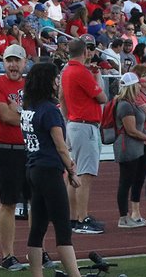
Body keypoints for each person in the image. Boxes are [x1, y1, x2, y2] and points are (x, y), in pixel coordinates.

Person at [19, 61, 82, 277]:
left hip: (33, 168)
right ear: (49, 81)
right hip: (48, 170)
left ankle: (37, 274)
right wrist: (72, 172)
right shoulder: (49, 110)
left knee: (37, 228)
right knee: (63, 229)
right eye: (56, 78)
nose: (58, 82)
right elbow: (60, 145)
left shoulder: (29, 108)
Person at [0, 45, 30, 271]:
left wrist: (18, 110)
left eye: (17, 60)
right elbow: (4, 115)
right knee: (8, 202)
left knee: (36, 203)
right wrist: (27, 114)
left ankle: (37, 251)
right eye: (9, 60)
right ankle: (7, 255)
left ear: (24, 62)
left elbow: (45, 112)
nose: (13, 65)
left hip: (29, 149)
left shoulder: (31, 85)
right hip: (6, 150)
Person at [59, 40, 105, 234]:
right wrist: (95, 77)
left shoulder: (66, 71)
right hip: (85, 124)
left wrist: (68, 117)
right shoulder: (81, 72)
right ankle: (82, 217)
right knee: (85, 175)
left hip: (74, 123)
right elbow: (102, 97)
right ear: (85, 52)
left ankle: (73, 216)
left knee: (75, 173)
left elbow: (61, 97)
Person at [113, 72, 146, 229]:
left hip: (133, 147)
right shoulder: (125, 105)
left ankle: (127, 216)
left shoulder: (129, 103)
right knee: (126, 182)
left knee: (130, 181)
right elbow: (131, 130)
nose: (139, 86)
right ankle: (123, 218)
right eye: (137, 84)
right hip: (128, 147)